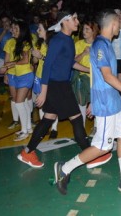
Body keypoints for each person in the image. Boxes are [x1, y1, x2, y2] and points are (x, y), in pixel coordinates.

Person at [54, 9, 121, 195]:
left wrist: (93, 100)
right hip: (106, 104)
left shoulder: (105, 44)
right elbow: (106, 76)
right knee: (102, 146)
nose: (120, 25)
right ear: (113, 24)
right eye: (119, 22)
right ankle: (64, 168)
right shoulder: (100, 46)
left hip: (113, 100)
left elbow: (98, 76)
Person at [17, 12, 92, 167]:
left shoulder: (69, 40)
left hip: (61, 84)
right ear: (65, 21)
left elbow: (69, 63)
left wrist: (88, 70)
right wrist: (43, 92)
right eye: (74, 19)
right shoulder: (58, 41)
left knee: (48, 118)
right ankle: (89, 154)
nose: (77, 21)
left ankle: (27, 152)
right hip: (57, 86)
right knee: (77, 118)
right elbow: (47, 66)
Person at [2, 19, 34, 141]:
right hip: (14, 75)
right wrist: (6, 71)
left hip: (26, 74)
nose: (13, 30)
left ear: (22, 31)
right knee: (21, 102)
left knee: (20, 102)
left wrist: (11, 63)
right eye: (13, 28)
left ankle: (24, 131)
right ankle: (28, 127)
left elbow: (25, 60)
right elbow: (6, 60)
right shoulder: (9, 42)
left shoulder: (25, 43)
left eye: (16, 29)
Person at [31, 19, 58, 139]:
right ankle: (44, 126)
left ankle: (54, 128)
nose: (37, 31)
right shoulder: (40, 43)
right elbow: (35, 61)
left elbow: (55, 62)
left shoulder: (54, 44)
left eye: (40, 28)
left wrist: (40, 56)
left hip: (50, 77)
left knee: (52, 102)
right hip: (39, 76)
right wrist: (35, 56)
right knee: (40, 103)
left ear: (47, 30)